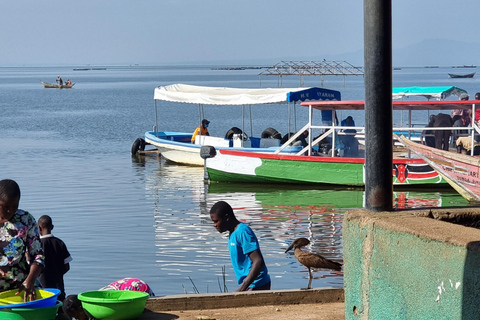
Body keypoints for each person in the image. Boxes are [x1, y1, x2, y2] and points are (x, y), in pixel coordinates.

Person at [210, 201, 271, 292]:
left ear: (226, 218)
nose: (214, 225)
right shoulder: (233, 234)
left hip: (257, 284)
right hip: (249, 285)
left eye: (216, 221)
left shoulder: (243, 232)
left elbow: (258, 261)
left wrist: (242, 289)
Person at [0, 179, 45, 302]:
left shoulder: (25, 220)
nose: (10, 211)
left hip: (21, 288)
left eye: (15, 206)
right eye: (6, 207)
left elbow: (38, 256)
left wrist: (30, 280)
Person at [63, 278, 154, 320]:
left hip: (139, 289)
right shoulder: (93, 303)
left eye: (78, 317)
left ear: (80, 308)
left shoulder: (97, 308)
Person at [38, 215, 72, 302]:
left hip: (42, 288)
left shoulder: (36, 245)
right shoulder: (59, 243)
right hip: (58, 286)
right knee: (60, 305)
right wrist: (57, 274)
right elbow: (67, 267)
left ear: (39, 228)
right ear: (52, 227)